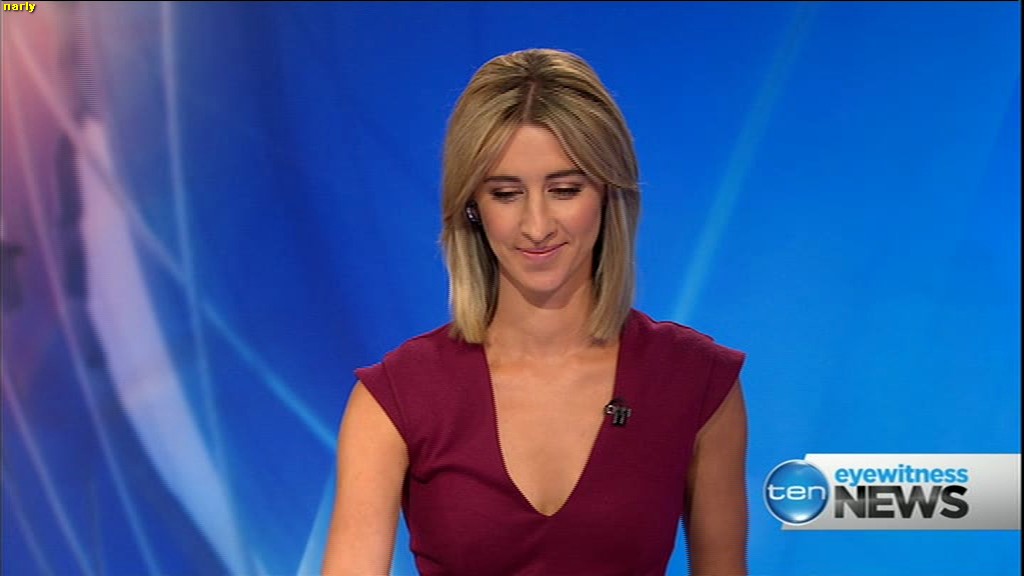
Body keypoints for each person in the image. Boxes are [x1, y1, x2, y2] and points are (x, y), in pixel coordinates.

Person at [322, 48, 747, 576]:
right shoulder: (397, 397)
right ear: (472, 207)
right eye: (506, 194)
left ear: (608, 194)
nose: (537, 225)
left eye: (565, 190)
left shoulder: (696, 381)